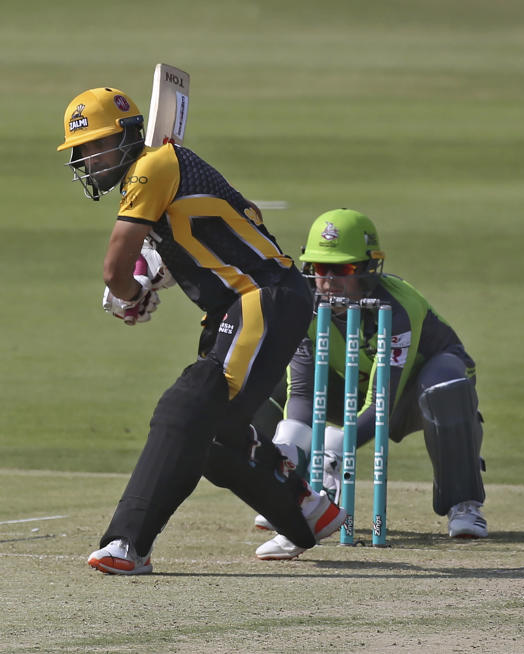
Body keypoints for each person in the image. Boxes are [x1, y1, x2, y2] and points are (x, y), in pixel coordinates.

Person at [56, 87, 346, 574]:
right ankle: (307, 512)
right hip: (238, 308)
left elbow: (115, 269)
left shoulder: (153, 168)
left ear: (129, 137)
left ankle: (127, 544)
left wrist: (131, 294)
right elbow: (191, 245)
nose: (88, 159)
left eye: (96, 146)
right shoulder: (163, 172)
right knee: (211, 439)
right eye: (82, 152)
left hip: (263, 296)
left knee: (185, 408)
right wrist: (145, 279)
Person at [252, 208, 488, 560]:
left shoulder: (397, 307)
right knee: (260, 380)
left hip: (411, 394)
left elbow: (382, 403)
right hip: (348, 387)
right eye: (319, 269)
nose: (328, 280)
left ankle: (464, 502)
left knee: (446, 382)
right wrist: (288, 452)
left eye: (342, 269)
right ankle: (293, 493)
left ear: (366, 268)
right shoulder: (303, 305)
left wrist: (333, 449)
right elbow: (301, 391)